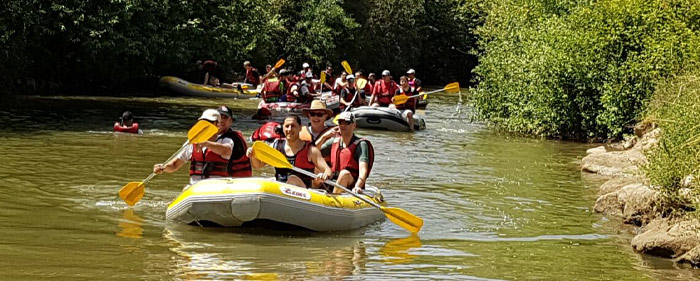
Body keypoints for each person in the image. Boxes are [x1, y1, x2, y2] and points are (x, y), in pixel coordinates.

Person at [153, 107, 252, 184]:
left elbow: (227, 151)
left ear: (217, 125)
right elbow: (174, 165)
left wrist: (206, 143)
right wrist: (163, 167)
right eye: (203, 122)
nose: (205, 126)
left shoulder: (225, 140)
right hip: (195, 187)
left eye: (209, 122)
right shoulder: (191, 143)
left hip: (216, 188)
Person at [247, 115, 332, 188]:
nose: (289, 129)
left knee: (293, 180)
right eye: (287, 126)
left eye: (293, 126)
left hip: (302, 191)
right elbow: (257, 166)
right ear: (283, 128)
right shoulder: (276, 146)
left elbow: (328, 170)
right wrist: (253, 156)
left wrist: (324, 175)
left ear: (300, 128)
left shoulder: (311, 150)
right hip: (281, 189)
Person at [318, 112, 374, 194]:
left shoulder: (361, 145)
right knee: (316, 168)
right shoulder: (334, 141)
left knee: (345, 174)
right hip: (332, 180)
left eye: (347, 123)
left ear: (354, 125)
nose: (343, 125)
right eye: (341, 122)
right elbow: (313, 152)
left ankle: (334, 198)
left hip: (351, 184)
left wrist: (357, 186)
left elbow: (363, 170)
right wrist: (324, 137)